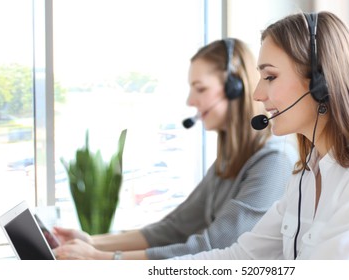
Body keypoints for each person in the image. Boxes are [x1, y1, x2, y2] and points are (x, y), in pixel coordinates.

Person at [171, 11, 349, 260]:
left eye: (270, 76)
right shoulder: (305, 174)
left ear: (321, 82)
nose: (257, 94)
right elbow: (241, 258)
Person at [53, 38, 296, 260]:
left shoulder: (274, 161)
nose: (190, 101)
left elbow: (213, 246)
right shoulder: (229, 161)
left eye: (200, 89)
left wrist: (102, 260)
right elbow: (174, 228)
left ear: (235, 88)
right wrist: (92, 242)